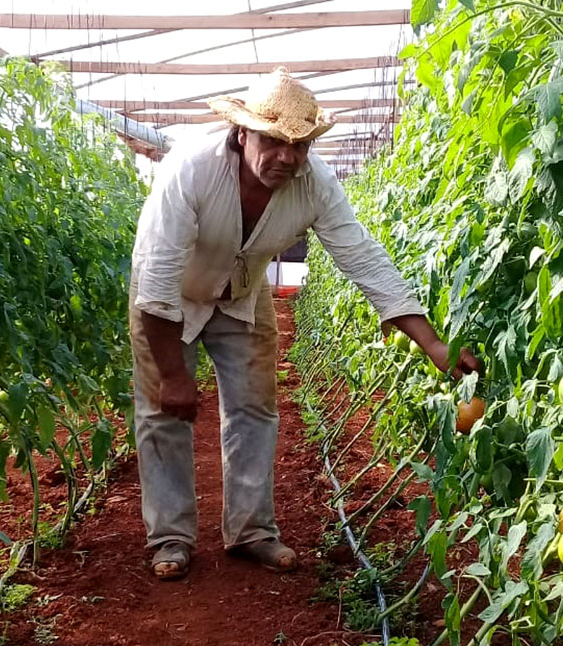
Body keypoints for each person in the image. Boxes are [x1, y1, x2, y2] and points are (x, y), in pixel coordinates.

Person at [129, 67, 480, 580]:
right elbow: (157, 276)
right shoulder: (191, 169)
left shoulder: (313, 185)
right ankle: (170, 539)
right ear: (242, 132)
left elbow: (363, 257)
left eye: (300, 145)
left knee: (254, 410)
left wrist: (432, 345)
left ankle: (251, 531)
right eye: (274, 141)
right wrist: (175, 375)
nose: (286, 157)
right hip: (168, 303)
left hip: (242, 298)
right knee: (163, 413)